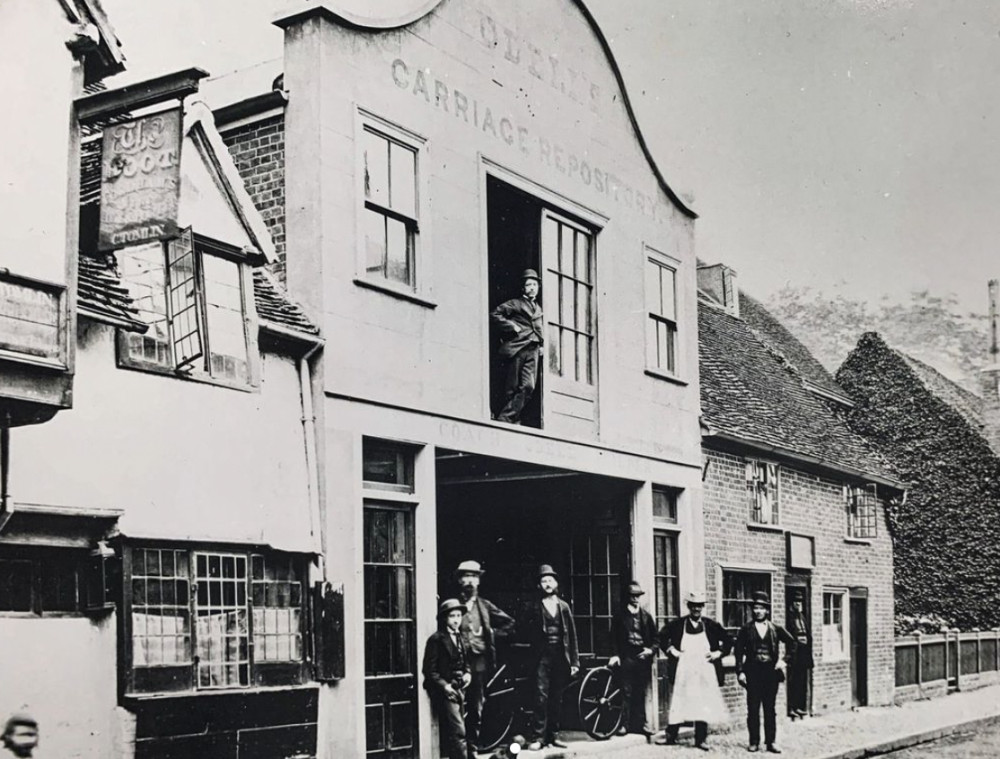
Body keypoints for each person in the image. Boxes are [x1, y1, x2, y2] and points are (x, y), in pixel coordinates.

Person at [454, 560, 516, 757]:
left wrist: (491, 632)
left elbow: (510, 624)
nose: (470, 581)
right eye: (466, 577)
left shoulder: (485, 606)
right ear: (460, 580)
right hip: (456, 662)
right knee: (455, 708)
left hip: (479, 663)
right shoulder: (453, 606)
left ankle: (471, 749)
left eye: (474, 577)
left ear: (479, 581)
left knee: (475, 708)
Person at [659, 590, 732, 750]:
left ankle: (701, 739)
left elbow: (728, 640)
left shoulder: (711, 625)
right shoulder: (678, 625)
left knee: (703, 702)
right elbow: (661, 637)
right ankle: (671, 736)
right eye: (693, 606)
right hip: (684, 670)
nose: (696, 609)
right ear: (689, 606)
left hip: (704, 670)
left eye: (699, 606)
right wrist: (672, 650)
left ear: (703, 607)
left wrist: (717, 654)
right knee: (680, 700)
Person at [521, 564, 579, 751]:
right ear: (539, 585)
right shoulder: (534, 607)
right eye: (543, 581)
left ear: (555, 583)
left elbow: (572, 635)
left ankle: (553, 736)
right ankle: (538, 737)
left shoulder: (564, 607)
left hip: (560, 657)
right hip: (541, 657)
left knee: (556, 697)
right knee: (540, 696)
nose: (547, 584)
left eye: (550, 580)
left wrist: (575, 662)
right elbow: (524, 631)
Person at [734, 591, 797, 754]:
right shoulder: (745, 629)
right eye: (755, 608)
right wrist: (740, 671)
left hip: (770, 674)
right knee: (753, 709)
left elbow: (792, 643)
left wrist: (784, 660)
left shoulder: (775, 628)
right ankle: (754, 741)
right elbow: (738, 651)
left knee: (770, 709)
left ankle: (771, 742)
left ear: (767, 610)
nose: (758, 611)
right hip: (753, 674)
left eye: (761, 608)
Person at [490, 269, 544, 424]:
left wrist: (542, 344)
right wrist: (511, 326)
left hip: (533, 350)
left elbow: (540, 328)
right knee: (511, 387)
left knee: (528, 387)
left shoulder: (539, 309)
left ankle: (507, 417)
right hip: (518, 348)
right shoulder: (516, 303)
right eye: (529, 285)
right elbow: (495, 314)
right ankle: (509, 418)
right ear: (523, 288)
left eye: (535, 284)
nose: (532, 288)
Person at [423, 599, 473, 759]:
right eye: (452, 616)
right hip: (446, 691)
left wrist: (468, 674)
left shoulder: (462, 637)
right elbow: (430, 671)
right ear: (445, 618)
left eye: (459, 615)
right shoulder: (436, 639)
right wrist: (444, 686)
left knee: (459, 729)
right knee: (459, 731)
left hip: (460, 688)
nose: (456, 620)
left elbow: (467, 663)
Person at [609, 581, 658, 739]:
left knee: (641, 691)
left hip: (642, 657)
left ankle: (642, 725)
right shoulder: (620, 616)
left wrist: (650, 650)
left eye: (638, 596)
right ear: (628, 597)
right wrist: (616, 655)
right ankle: (624, 725)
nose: (635, 599)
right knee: (626, 691)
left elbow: (656, 639)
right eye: (632, 596)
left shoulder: (646, 616)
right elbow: (613, 638)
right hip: (627, 656)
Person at [785, 590, 813, 720]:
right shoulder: (789, 617)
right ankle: (791, 707)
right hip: (794, 653)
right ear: (792, 603)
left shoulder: (802, 617)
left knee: (801, 680)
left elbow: (807, 634)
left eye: (800, 602)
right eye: (796, 602)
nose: (798, 604)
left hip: (803, 653)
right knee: (793, 680)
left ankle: (800, 707)